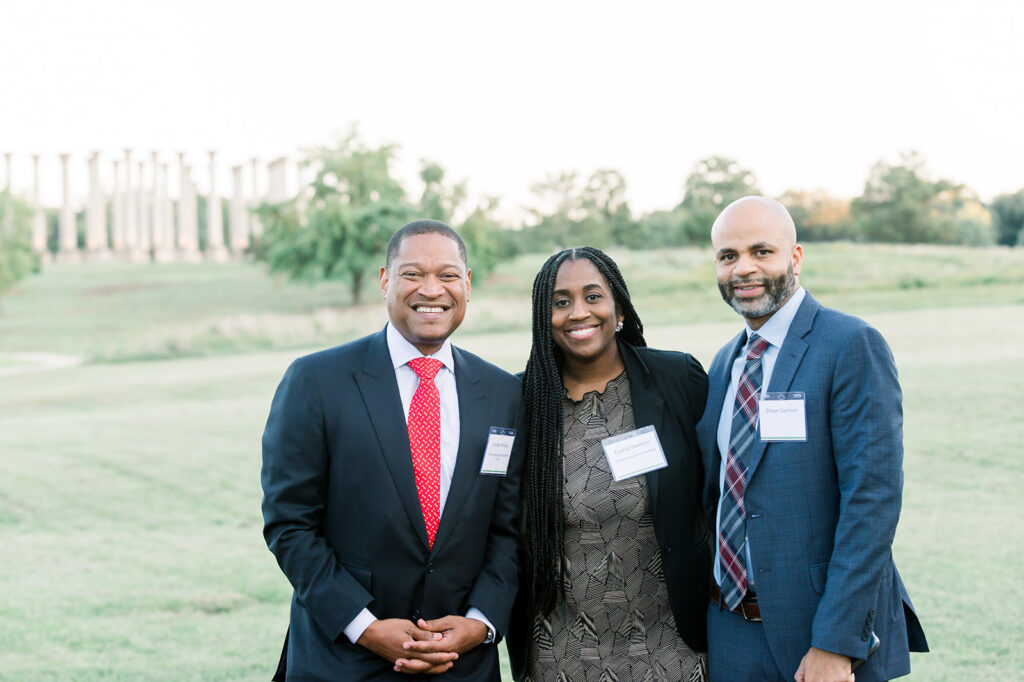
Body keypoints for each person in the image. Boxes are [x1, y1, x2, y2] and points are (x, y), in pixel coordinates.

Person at [261, 219, 525, 681]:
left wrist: (480, 623)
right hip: (342, 660)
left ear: (467, 285)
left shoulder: (503, 392)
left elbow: (509, 529)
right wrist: (362, 627)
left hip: (460, 664)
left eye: (447, 275)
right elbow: (290, 524)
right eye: (411, 274)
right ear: (385, 281)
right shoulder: (316, 381)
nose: (431, 289)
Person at [698, 196, 928, 682]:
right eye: (728, 256)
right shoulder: (724, 364)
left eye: (762, 251)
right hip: (730, 630)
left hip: (819, 632)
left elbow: (873, 501)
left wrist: (836, 642)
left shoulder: (849, 345)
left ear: (795, 258)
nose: (744, 268)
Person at [506, 246, 711, 682]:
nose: (578, 312)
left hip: (670, 648)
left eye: (593, 296)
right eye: (561, 302)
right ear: (544, 318)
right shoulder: (520, 404)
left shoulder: (677, 380)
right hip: (560, 654)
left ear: (619, 307)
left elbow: (718, 492)